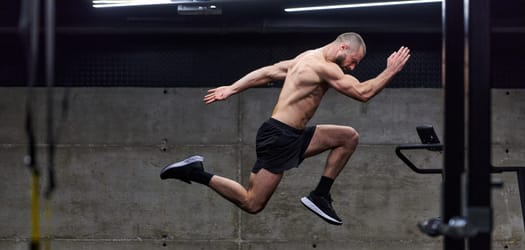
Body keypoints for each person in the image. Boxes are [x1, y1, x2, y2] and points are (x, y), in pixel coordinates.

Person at [160, 32, 410, 225]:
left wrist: (232, 88)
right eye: (353, 62)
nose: (351, 68)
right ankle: (195, 172)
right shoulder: (323, 67)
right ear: (343, 47)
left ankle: (320, 195)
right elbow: (362, 93)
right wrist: (391, 71)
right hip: (279, 138)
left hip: (291, 135)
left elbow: (268, 72)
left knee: (348, 137)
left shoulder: (305, 57)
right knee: (252, 203)